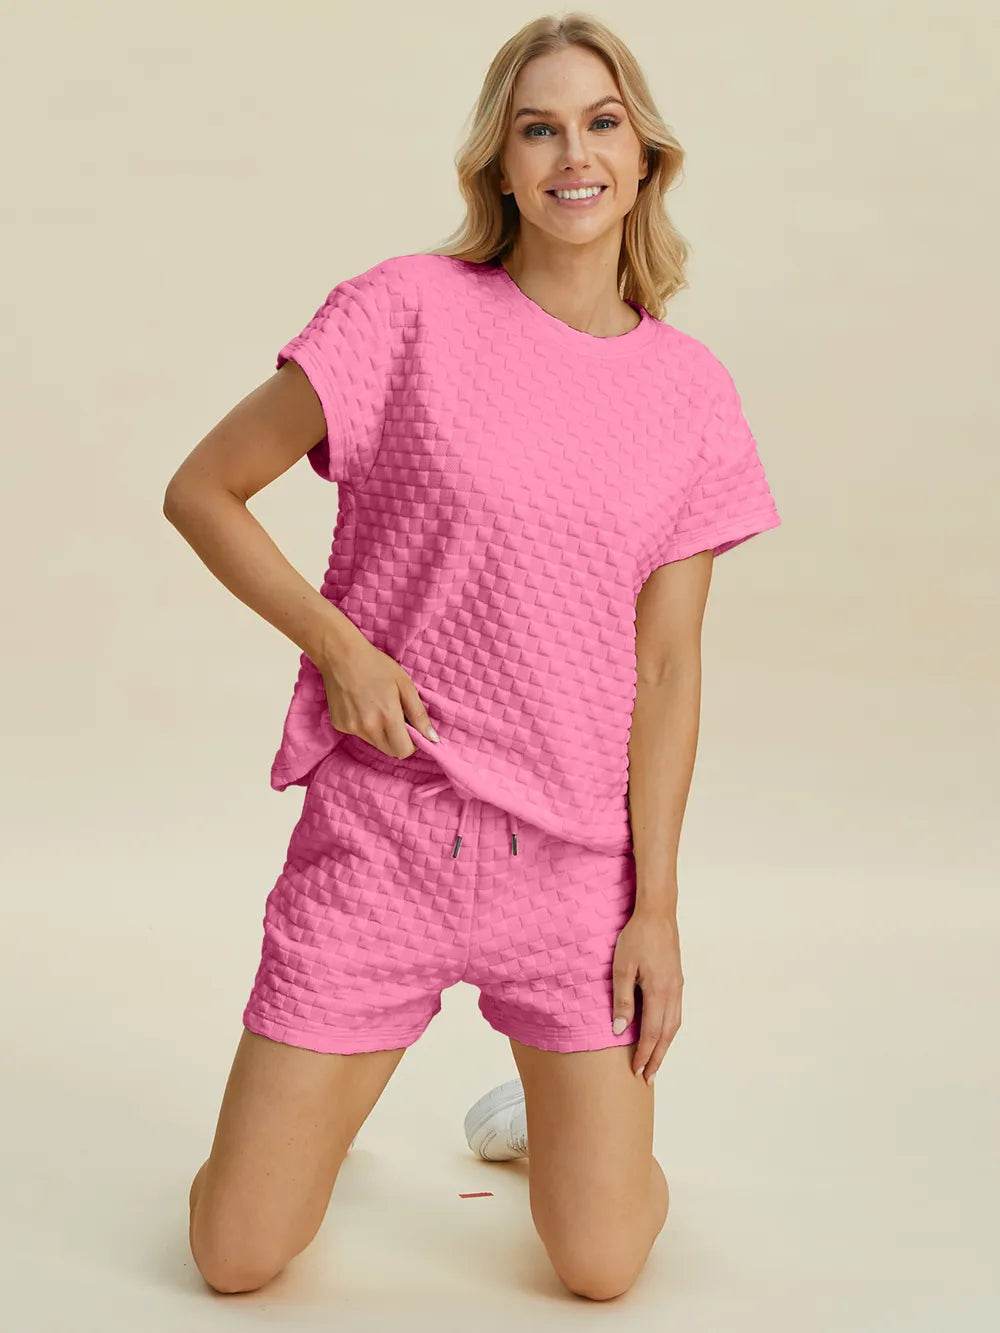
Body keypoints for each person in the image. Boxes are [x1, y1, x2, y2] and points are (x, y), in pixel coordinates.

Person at [165, 12, 781, 1303]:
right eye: (539, 128)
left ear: (646, 157)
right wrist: (339, 646)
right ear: (501, 163)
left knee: (602, 1264)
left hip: (573, 863)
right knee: (237, 1254)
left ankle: (557, 1124)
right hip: (383, 833)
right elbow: (203, 489)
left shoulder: (693, 394)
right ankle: (301, 1134)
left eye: (602, 124)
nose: (575, 154)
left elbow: (669, 674)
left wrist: (657, 910)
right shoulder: (405, 310)